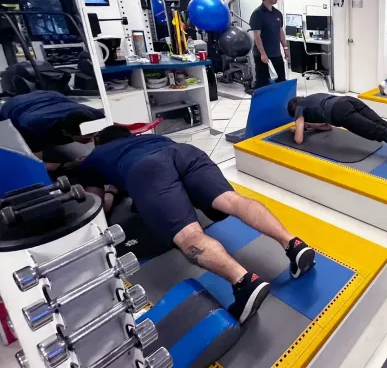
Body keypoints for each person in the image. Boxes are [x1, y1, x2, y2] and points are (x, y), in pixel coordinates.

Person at [77, 126, 316, 323]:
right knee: (234, 201)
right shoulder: (152, 137)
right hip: (186, 153)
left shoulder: (95, 157)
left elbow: (97, 205)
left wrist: (109, 191)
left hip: (147, 170)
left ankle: (245, 283)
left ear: (100, 142)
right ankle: (293, 244)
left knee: (189, 235)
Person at [287, 94, 387, 171]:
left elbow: (299, 139)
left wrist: (297, 127)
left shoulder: (299, 108)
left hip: (340, 112)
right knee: (385, 125)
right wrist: (309, 125)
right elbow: (327, 127)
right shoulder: (312, 98)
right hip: (347, 101)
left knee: (381, 132)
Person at [0, 90, 105, 174]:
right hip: (15, 105)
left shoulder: (97, 116)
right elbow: (37, 164)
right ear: (67, 134)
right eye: (87, 137)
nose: (91, 140)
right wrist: (68, 165)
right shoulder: (33, 127)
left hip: (49, 95)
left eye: (93, 134)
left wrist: (97, 154)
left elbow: (105, 138)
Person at [250, 0, 289, 89]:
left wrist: (285, 48)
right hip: (262, 56)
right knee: (263, 85)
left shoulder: (277, 13)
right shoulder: (257, 14)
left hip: (276, 53)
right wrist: (263, 54)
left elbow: (280, 32)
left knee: (281, 81)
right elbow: (257, 36)